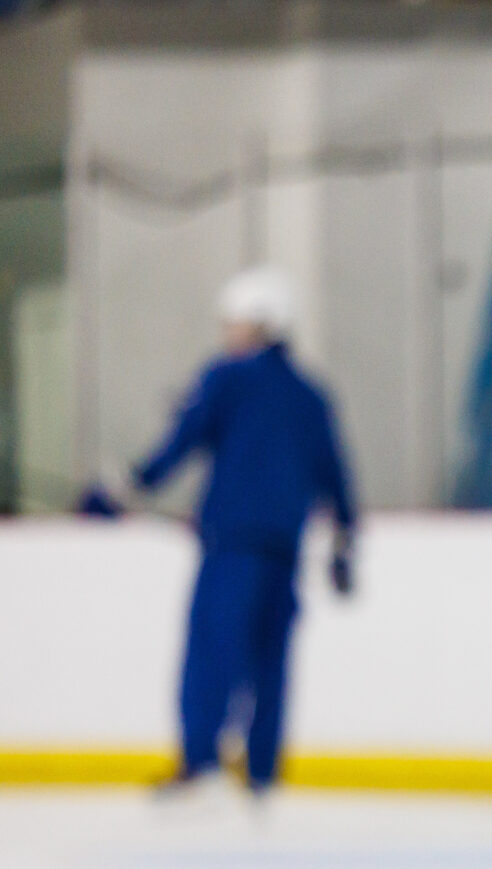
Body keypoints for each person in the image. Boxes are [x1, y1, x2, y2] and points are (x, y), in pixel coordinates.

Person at [79, 267, 357, 800]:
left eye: (233, 323)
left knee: (212, 649)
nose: (227, 334)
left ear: (261, 324)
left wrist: (121, 491)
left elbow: (182, 441)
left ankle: (201, 760)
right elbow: (335, 474)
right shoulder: (310, 395)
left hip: (232, 546)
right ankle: (261, 771)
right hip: (284, 550)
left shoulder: (226, 378)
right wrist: (345, 540)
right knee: (270, 659)